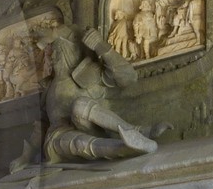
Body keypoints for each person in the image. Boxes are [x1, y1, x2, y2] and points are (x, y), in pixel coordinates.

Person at [32, 18, 159, 162]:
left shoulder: (88, 73)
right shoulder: (48, 86)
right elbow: (40, 126)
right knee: (73, 142)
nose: (52, 57)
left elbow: (128, 77)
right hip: (61, 138)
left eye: (57, 51)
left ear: (70, 51)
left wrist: (101, 46)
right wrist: (25, 157)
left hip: (95, 128)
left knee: (80, 105)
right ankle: (125, 148)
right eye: (50, 53)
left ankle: (137, 131)